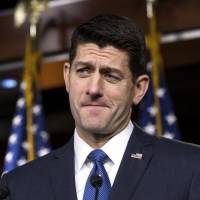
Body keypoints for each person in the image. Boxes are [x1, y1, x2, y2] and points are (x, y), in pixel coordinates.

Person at [0, 14, 200, 200]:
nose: (94, 89)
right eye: (84, 71)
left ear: (139, 88)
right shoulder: (20, 186)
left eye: (110, 75)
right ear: (67, 77)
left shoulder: (190, 168)